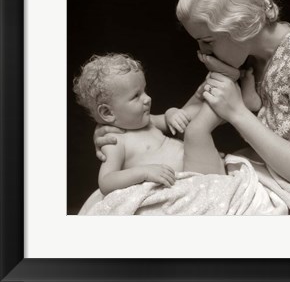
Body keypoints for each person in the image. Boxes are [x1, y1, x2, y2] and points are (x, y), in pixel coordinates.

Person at [94, 0, 290, 194]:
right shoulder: (247, 58)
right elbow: (187, 120)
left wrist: (237, 112)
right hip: (264, 176)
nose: (202, 52)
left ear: (239, 26)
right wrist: (122, 131)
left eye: (207, 40)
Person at [74, 53, 230, 196]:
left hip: (197, 168)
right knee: (196, 131)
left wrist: (171, 113)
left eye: (144, 91)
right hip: (186, 183)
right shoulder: (115, 141)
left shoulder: (148, 121)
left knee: (187, 120)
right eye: (136, 96)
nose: (147, 98)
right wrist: (144, 172)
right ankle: (228, 92)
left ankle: (225, 94)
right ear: (108, 113)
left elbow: (168, 122)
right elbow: (106, 181)